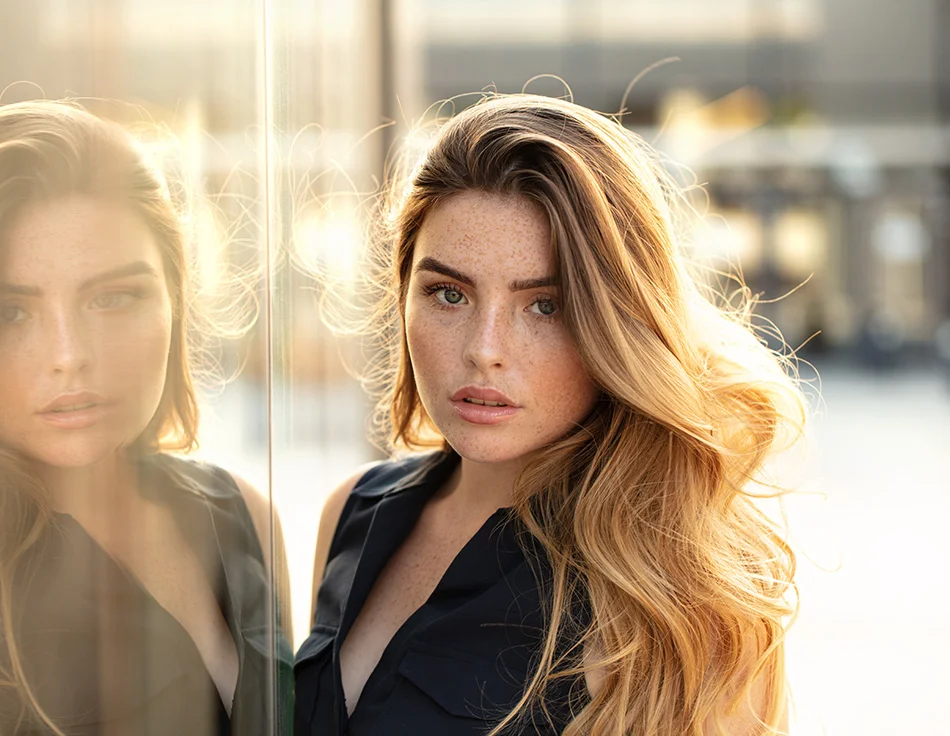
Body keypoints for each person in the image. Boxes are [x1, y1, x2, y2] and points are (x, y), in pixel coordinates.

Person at [294, 93, 807, 736]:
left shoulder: (676, 600)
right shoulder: (352, 513)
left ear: (618, 324)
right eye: (448, 293)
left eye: (545, 306)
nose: (485, 351)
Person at [0, 100, 291, 735]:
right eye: (11, 313)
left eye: (112, 298)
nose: (69, 357)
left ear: (174, 298)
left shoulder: (240, 515)